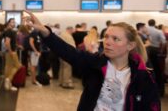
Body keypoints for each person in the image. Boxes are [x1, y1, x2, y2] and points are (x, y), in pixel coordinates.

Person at [24, 11, 160, 110]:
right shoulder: (95, 64)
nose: (107, 42)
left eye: (115, 39)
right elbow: (68, 52)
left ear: (130, 45)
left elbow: (153, 107)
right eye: (106, 37)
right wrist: (46, 32)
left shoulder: (143, 76)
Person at [147, 19, 166, 97]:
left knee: (148, 70)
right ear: (155, 23)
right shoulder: (158, 31)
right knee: (158, 71)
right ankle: (159, 91)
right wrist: (161, 51)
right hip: (155, 51)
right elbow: (164, 42)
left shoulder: (146, 30)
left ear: (148, 23)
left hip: (147, 51)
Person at [4, 18, 21, 91]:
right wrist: (11, 51)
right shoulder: (9, 31)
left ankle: (8, 84)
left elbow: (10, 42)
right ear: (8, 23)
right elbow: (7, 43)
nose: (14, 23)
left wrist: (17, 45)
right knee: (18, 66)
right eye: (12, 22)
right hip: (11, 52)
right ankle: (8, 79)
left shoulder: (10, 31)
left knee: (9, 67)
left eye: (14, 22)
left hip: (10, 51)